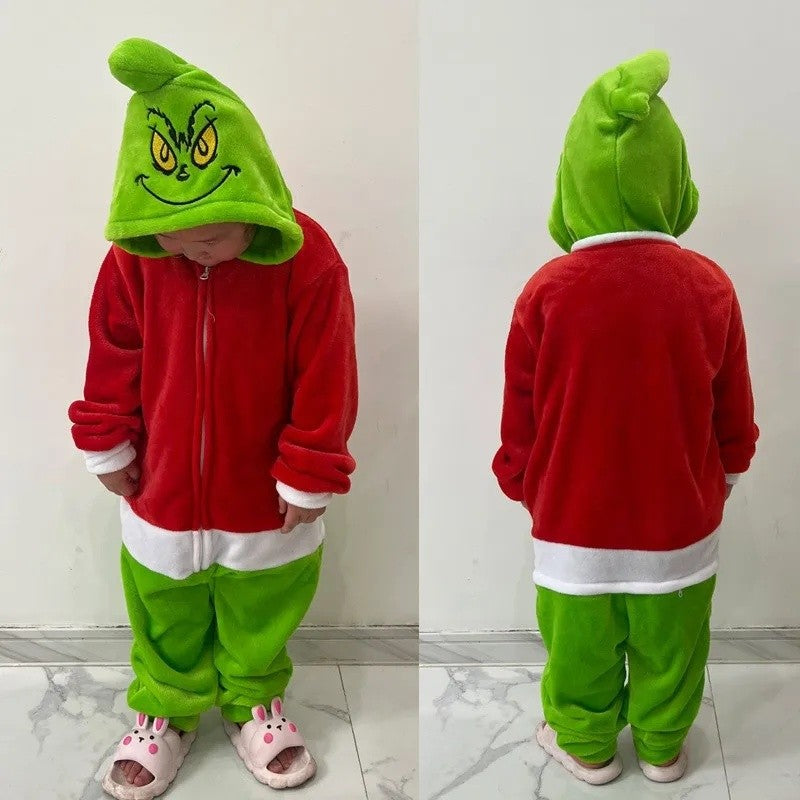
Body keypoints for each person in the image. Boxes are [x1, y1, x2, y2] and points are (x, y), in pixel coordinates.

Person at [69, 38, 357, 797]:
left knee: (263, 598)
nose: (194, 247)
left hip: (262, 489)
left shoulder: (308, 259)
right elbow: (112, 350)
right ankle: (165, 708)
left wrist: (310, 467)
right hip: (161, 482)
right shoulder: (135, 260)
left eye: (214, 232)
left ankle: (255, 697)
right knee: (162, 598)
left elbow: (328, 372)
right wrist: (107, 440)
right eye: (175, 232)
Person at [492, 51, 758, 786]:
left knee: (579, 643)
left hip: (573, 521)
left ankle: (587, 745)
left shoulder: (546, 292)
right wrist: (730, 466)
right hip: (678, 520)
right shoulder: (709, 287)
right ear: (672, 180)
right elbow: (733, 402)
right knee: (673, 643)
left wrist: (520, 476)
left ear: (571, 182)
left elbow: (521, 406)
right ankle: (665, 746)